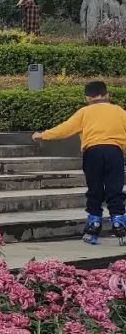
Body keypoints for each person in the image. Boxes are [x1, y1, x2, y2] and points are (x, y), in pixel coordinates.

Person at [33, 82, 126, 245]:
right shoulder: (119, 111)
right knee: (115, 189)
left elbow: (65, 129)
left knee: (95, 188)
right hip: (114, 152)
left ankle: (94, 224)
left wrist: (43, 135)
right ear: (107, 95)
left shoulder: (84, 112)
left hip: (93, 152)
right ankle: (119, 222)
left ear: (87, 98)